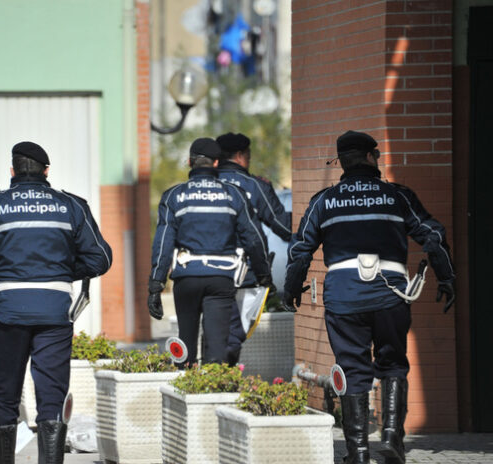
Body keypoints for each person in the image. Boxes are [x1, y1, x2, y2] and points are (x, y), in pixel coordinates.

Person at [283, 130, 456, 464]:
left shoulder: (324, 201)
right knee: (393, 363)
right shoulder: (397, 196)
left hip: (344, 297)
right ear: (370, 157)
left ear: (341, 163)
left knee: (352, 368)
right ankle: (392, 439)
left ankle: (358, 452)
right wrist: (446, 276)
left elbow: (301, 248)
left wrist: (292, 288)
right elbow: (433, 235)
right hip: (390, 294)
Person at [0, 141, 112, 464]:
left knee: (5, 399)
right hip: (55, 315)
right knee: (51, 400)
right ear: (46, 171)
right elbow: (101, 257)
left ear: (12, 171)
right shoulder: (72, 205)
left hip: (8, 315)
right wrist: (62, 269)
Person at [148, 137, 272, 367]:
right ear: (216, 163)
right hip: (220, 278)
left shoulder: (174, 196)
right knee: (216, 349)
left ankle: (184, 388)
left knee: (184, 347)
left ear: (189, 162)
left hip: (186, 277)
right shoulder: (233, 195)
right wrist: (263, 273)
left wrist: (156, 285)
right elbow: (253, 238)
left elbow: (163, 242)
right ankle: (210, 393)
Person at [216, 132, 293, 364]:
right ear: (240, 156)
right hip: (245, 272)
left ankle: (210, 378)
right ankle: (222, 375)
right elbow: (282, 226)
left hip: (205, 271)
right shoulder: (254, 185)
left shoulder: (204, 185)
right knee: (237, 332)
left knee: (214, 329)